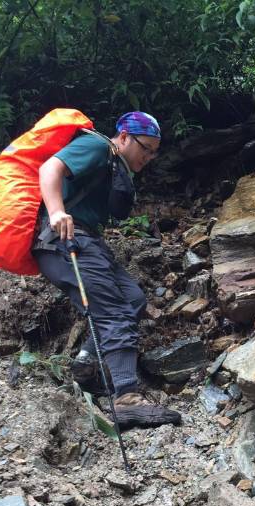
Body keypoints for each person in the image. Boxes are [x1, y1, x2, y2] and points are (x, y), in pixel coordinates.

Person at [32, 111, 161, 405]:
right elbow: (50, 168)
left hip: (86, 239)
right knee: (114, 311)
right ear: (125, 137)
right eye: (146, 148)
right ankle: (127, 397)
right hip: (64, 237)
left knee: (132, 299)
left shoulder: (115, 165)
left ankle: (87, 363)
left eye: (154, 153)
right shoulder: (99, 147)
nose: (149, 157)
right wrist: (55, 212)